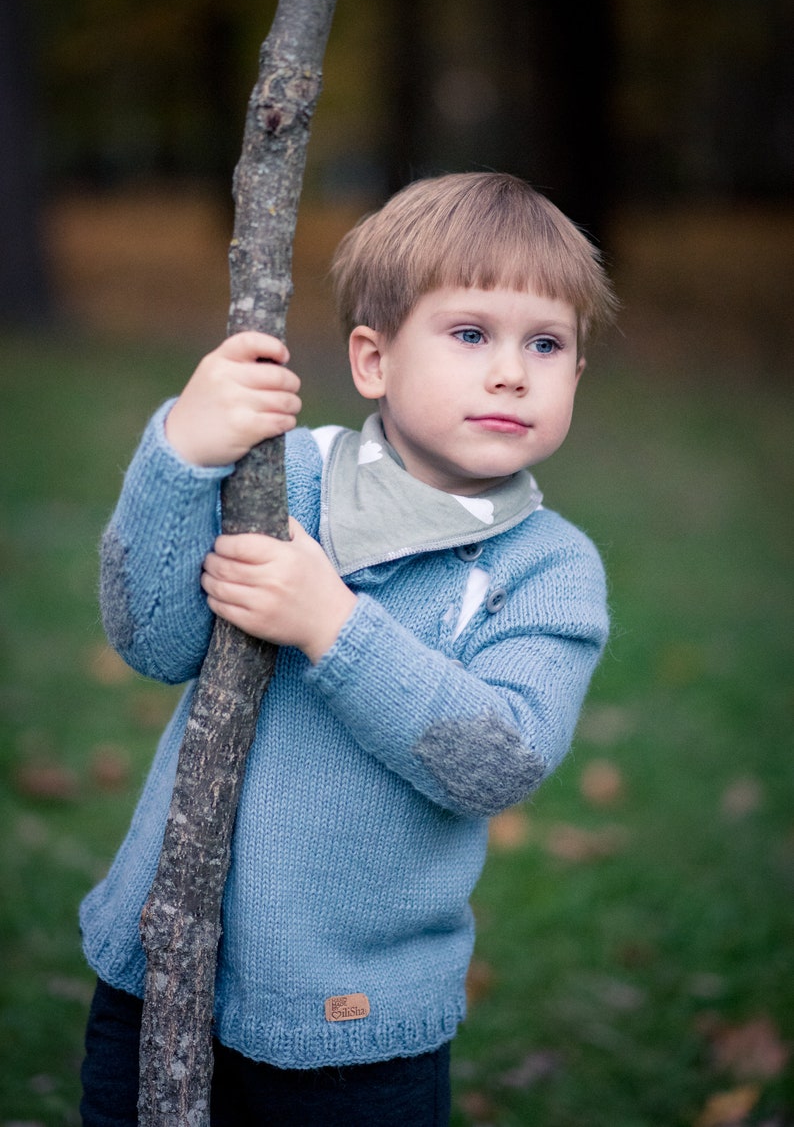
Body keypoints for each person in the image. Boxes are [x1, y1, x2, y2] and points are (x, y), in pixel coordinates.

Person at [79, 171, 617, 1125]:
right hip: (160, 963)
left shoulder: (548, 569)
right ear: (373, 359)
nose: (511, 371)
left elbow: (500, 759)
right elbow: (154, 640)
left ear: (576, 373)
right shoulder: (284, 475)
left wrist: (334, 627)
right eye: (469, 335)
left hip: (354, 1028)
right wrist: (181, 453)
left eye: (546, 343)